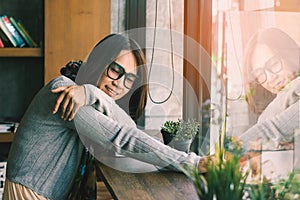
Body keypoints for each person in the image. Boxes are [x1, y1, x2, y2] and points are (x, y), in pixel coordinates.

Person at [4, 33, 208, 200]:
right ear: (99, 62)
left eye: (129, 79)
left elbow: (127, 127)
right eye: (115, 70)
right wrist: (193, 163)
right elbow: (122, 138)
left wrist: (93, 93)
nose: (118, 83)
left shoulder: (87, 98)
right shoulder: (65, 92)